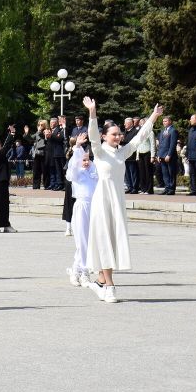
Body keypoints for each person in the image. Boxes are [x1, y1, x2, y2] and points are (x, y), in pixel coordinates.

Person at [82, 96, 162, 304]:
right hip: (102, 200)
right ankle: (109, 286)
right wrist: (92, 112)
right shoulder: (99, 152)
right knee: (104, 240)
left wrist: (154, 116)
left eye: (119, 134)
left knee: (112, 241)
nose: (117, 137)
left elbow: (140, 137)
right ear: (105, 136)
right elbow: (92, 135)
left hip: (117, 201)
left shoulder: (122, 152)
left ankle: (100, 281)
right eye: (113, 134)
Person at [65, 133, 98, 288]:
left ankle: (78, 271)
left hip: (93, 207)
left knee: (90, 242)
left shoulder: (93, 172)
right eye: (83, 160)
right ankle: (81, 272)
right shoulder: (76, 173)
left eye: (88, 159)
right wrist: (77, 147)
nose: (86, 162)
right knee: (82, 242)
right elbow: (73, 166)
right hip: (81, 207)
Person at [156, 116, 178, 195]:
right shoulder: (162, 131)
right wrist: (158, 155)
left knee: (171, 172)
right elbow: (160, 144)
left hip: (169, 156)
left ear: (170, 122)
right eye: (163, 121)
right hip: (162, 155)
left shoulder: (173, 131)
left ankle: (171, 189)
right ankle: (167, 187)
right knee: (164, 173)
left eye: (165, 121)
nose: (164, 122)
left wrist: (169, 155)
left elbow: (172, 144)